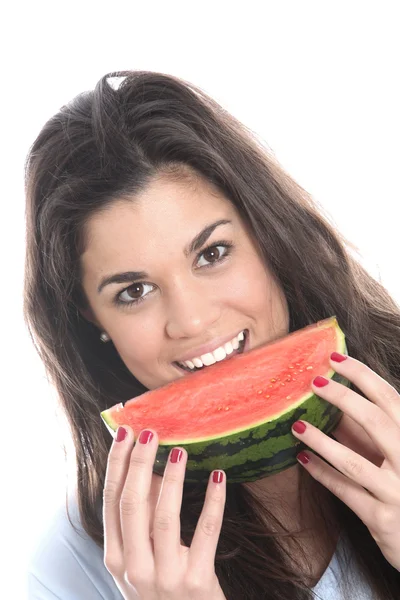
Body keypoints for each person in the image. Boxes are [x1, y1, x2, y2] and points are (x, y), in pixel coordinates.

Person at [24, 70, 400, 600]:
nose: (193, 321)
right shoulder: (73, 568)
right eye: (134, 291)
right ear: (91, 322)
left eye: (212, 254)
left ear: (270, 237)